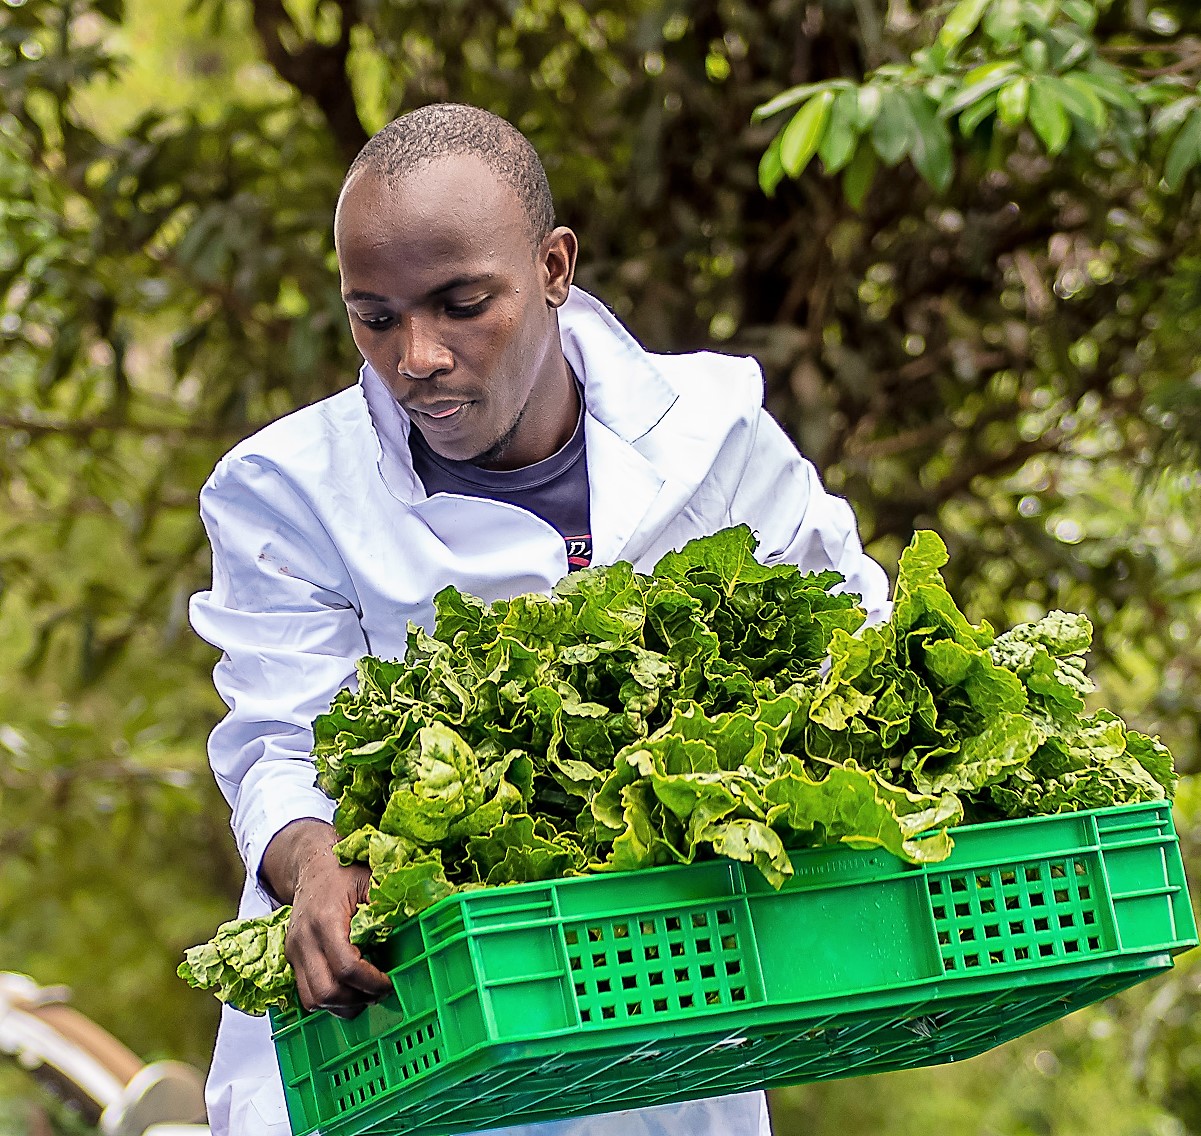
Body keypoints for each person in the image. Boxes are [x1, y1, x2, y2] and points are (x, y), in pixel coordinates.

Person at [189, 102, 890, 1136]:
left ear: (553, 267)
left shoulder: (714, 439)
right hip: (393, 1045)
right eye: (373, 317)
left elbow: (853, 641)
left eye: (462, 303)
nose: (415, 354)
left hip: (659, 1037)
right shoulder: (286, 489)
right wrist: (314, 859)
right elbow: (277, 738)